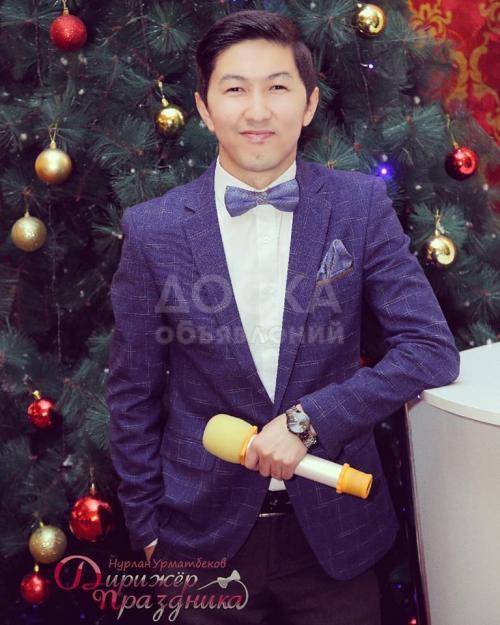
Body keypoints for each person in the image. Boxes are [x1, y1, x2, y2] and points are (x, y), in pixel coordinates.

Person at [106, 9, 460, 624]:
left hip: (336, 534)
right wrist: (149, 533)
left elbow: (428, 349)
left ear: (309, 103)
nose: (257, 110)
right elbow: (132, 393)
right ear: (204, 108)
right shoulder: (152, 229)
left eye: (277, 87)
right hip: (198, 539)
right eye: (234, 89)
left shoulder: (358, 206)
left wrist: (308, 420)